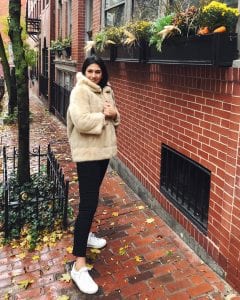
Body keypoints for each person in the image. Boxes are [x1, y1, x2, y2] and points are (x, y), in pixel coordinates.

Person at [66, 55, 120, 294]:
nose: (94, 75)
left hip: (103, 152)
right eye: (90, 71)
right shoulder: (80, 91)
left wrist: (114, 113)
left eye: (98, 71)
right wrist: (105, 116)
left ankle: (86, 235)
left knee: (93, 198)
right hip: (88, 154)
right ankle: (78, 264)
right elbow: (80, 121)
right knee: (88, 205)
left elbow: (115, 118)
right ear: (85, 72)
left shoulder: (106, 90)